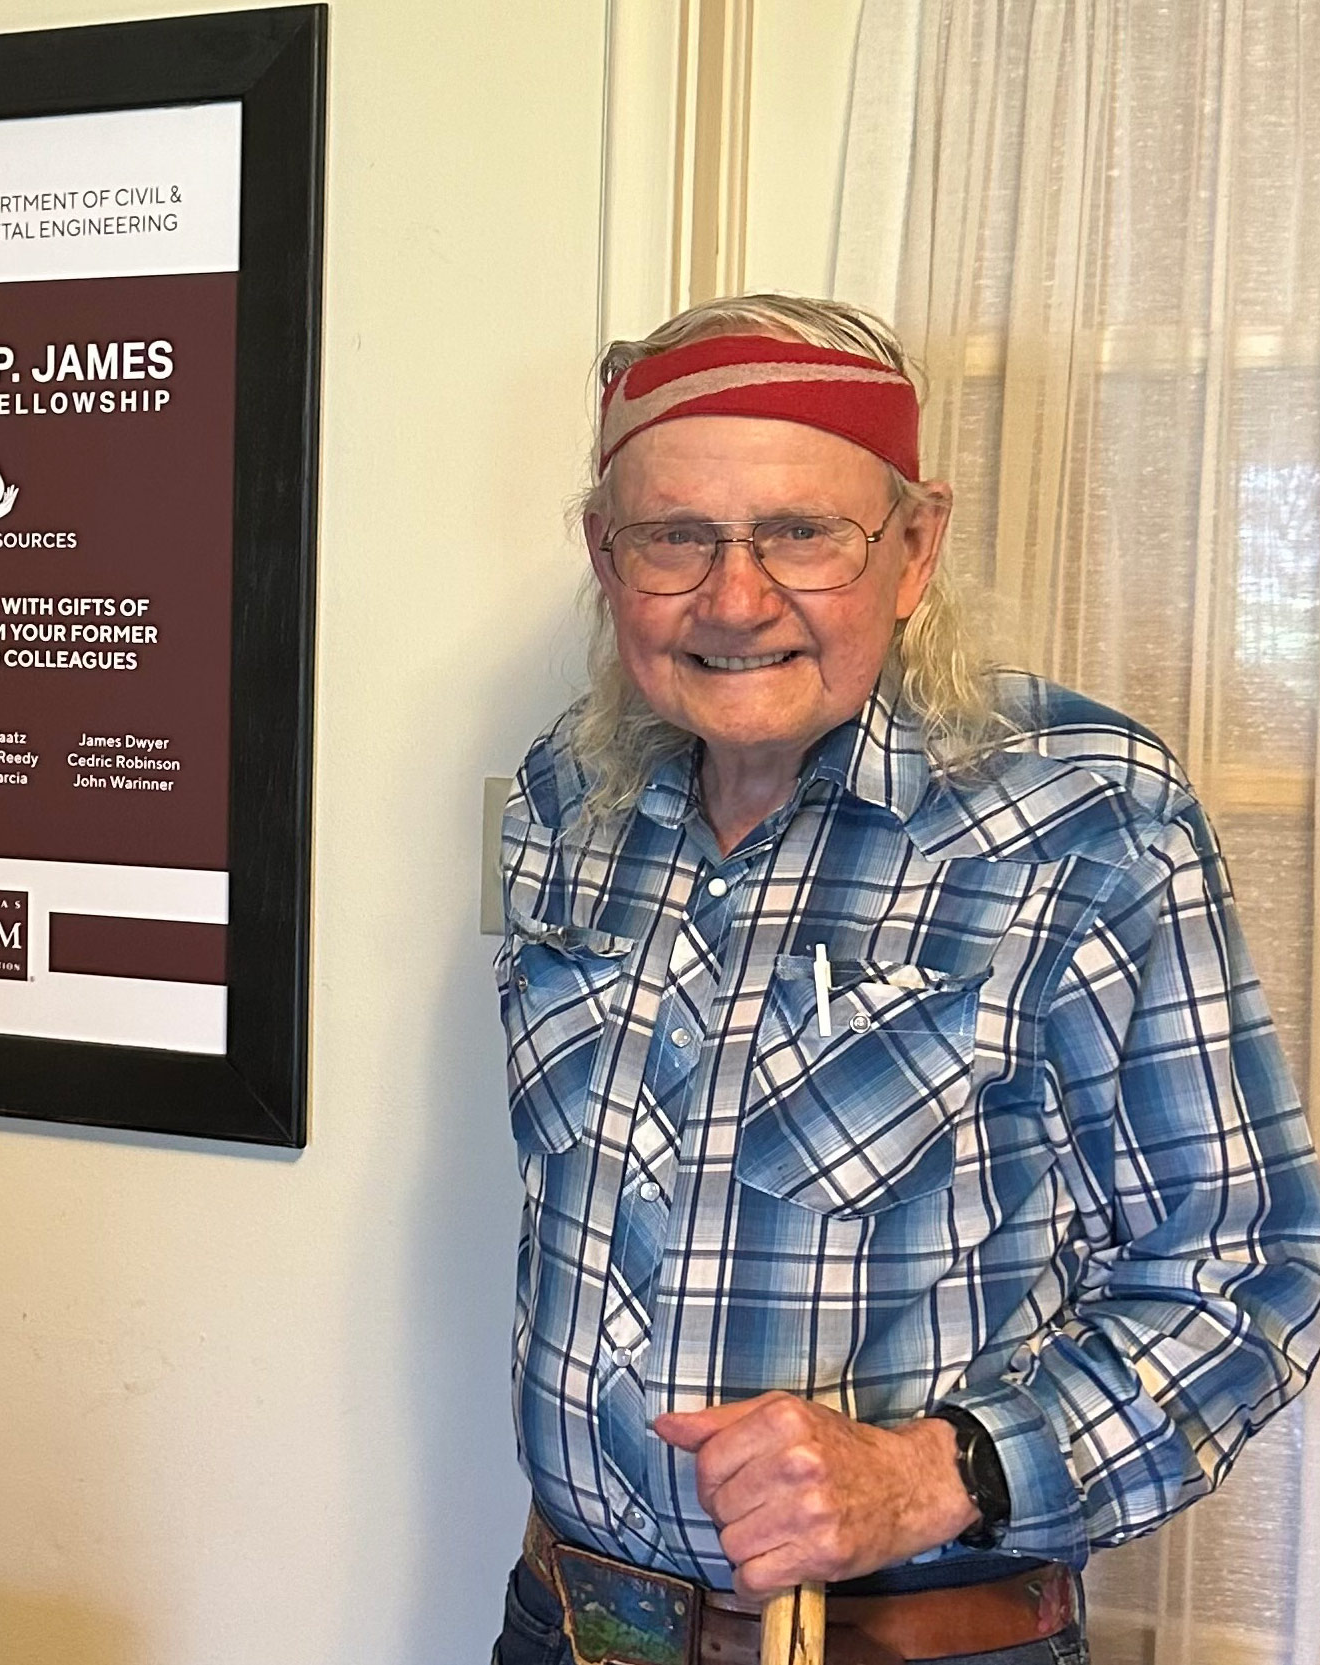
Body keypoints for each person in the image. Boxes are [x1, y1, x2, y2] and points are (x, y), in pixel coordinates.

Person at [492, 294, 1320, 1665]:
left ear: (913, 547)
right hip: (570, 1626)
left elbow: (1249, 1265)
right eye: (674, 536)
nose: (736, 598)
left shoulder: (1082, 817)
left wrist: (934, 1475)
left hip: (909, 1644)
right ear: (603, 552)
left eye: (801, 533)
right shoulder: (562, 795)